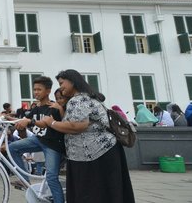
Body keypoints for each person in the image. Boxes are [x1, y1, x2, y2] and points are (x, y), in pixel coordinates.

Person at [41, 69, 134, 203]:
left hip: (96, 153)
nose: (60, 88)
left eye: (62, 83)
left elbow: (77, 126)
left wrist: (52, 123)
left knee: (92, 193)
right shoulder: (87, 97)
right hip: (99, 153)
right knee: (106, 193)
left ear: (72, 81)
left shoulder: (78, 100)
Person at [7, 76, 65, 203]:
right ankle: (24, 181)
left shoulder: (54, 107)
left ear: (48, 91)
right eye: (34, 89)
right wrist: (5, 119)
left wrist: (29, 121)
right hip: (38, 139)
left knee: (51, 177)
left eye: (39, 89)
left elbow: (44, 123)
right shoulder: (36, 107)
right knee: (12, 148)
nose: (36, 92)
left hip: (52, 144)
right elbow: (22, 119)